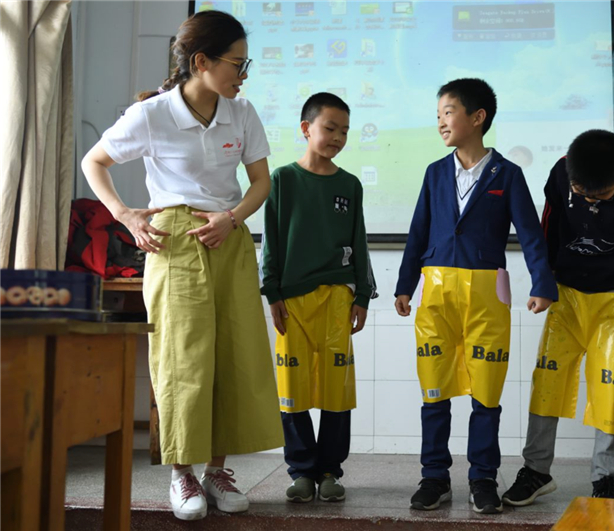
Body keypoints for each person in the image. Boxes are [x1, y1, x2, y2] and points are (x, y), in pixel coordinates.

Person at [81, 11, 284, 521]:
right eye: (237, 63)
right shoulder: (152, 114)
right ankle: (183, 474)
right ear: (201, 62)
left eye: (246, 64)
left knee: (235, 357)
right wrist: (125, 215)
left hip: (228, 239)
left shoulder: (242, 112)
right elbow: (94, 162)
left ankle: (217, 470)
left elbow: (261, 181)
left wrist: (232, 218)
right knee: (182, 359)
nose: (244, 73)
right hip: (173, 245)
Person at [394, 78, 557, 514]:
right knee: (435, 392)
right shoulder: (434, 172)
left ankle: (483, 477)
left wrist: (543, 283)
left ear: (477, 117)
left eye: (448, 112)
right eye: (438, 115)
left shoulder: (508, 174)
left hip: (487, 297)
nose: (441, 121)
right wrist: (404, 284)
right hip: (436, 297)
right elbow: (417, 233)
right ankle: (434, 478)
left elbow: (531, 234)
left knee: (486, 394)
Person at [502, 130, 614, 504]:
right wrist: (544, 280)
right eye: (580, 192)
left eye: (597, 195)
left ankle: (605, 477)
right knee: (547, 383)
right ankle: (536, 471)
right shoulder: (561, 173)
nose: (587, 199)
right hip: (567, 292)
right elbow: (546, 226)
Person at [261, 92, 375, 504]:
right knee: (292, 387)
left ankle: (330, 470)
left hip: (337, 298)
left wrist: (362, 294)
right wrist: (271, 291)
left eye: (344, 130)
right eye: (330, 128)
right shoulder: (282, 179)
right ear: (306, 128)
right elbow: (271, 241)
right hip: (292, 299)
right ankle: (301, 471)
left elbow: (358, 242)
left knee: (335, 388)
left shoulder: (350, 184)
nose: (338, 137)